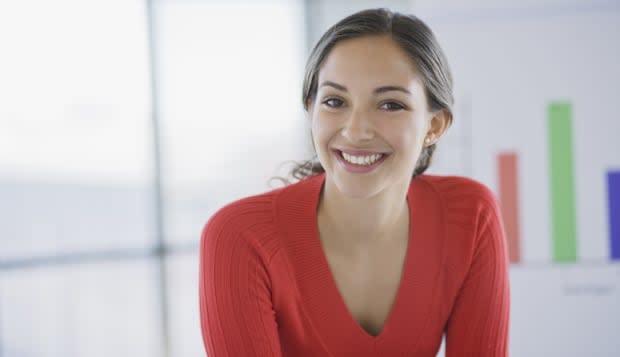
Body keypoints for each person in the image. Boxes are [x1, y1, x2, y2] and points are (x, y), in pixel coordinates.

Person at [199, 8, 510, 357]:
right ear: (311, 112)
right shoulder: (241, 236)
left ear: (434, 126)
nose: (356, 130)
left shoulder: (471, 217)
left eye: (390, 105)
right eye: (335, 101)